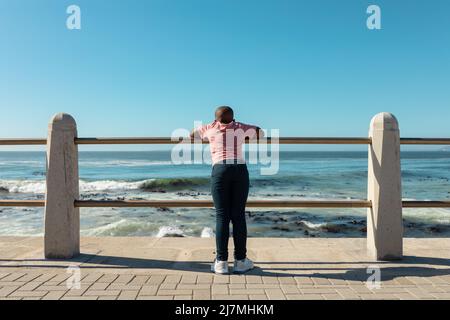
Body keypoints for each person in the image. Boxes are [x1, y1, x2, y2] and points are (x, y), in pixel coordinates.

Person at [191, 106, 264, 274]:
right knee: (238, 215)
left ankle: (221, 262)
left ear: (216, 119)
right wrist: (240, 127)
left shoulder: (210, 128)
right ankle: (241, 261)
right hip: (239, 169)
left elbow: (191, 135)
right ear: (233, 118)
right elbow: (260, 133)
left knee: (222, 215)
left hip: (220, 170)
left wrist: (212, 129)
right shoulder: (239, 127)